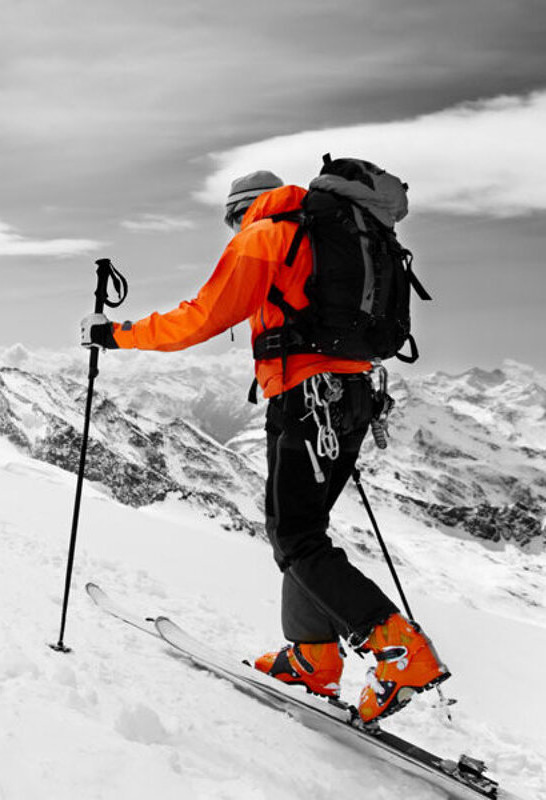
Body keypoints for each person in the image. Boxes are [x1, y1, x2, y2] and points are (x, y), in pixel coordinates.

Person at [80, 165, 450, 723]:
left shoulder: (267, 234)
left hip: (308, 398)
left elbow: (200, 318)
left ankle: (398, 651)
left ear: (242, 209)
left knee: (296, 537)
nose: (233, 230)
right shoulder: (336, 233)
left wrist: (116, 334)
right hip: (352, 396)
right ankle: (313, 657)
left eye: (232, 219)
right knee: (303, 533)